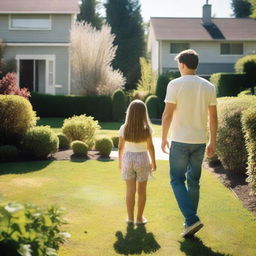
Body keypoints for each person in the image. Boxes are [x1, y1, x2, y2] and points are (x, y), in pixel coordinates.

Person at [161, 49, 218, 237]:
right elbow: (213, 118)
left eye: (179, 64)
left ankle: (191, 219)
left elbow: (168, 114)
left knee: (176, 180)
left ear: (183, 64)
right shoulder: (209, 86)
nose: (179, 67)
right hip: (200, 142)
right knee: (194, 182)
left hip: (179, 141)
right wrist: (212, 142)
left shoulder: (174, 84)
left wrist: (163, 138)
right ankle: (190, 224)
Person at [118, 99, 157, 225]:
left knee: (130, 191)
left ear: (129, 112)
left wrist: (120, 162)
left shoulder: (124, 128)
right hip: (142, 159)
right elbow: (150, 147)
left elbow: (120, 147)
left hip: (128, 159)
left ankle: (130, 218)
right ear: (144, 113)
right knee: (142, 191)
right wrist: (154, 162)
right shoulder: (147, 129)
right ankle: (139, 218)